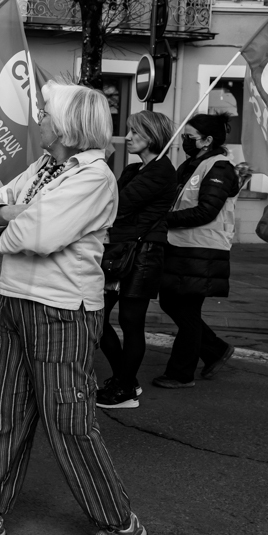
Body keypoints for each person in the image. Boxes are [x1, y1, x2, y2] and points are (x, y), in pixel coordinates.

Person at [0, 81, 145, 535]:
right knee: (3, 412)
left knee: (70, 423)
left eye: (47, 113)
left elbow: (38, 234)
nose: (39, 120)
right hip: (17, 301)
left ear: (69, 127)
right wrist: (11, 215)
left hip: (62, 310)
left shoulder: (93, 177)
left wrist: (9, 222)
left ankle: (120, 522)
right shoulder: (45, 167)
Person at [96, 111, 178, 409]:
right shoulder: (134, 170)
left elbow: (117, 207)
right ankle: (125, 380)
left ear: (154, 136)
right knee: (97, 320)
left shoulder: (162, 171)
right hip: (120, 252)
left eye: (136, 133)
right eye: (129, 131)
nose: (128, 137)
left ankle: (125, 386)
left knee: (131, 321)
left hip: (143, 255)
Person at [154, 114, 239, 388]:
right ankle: (215, 349)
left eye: (189, 137)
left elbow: (206, 211)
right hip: (182, 247)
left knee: (187, 310)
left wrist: (163, 219)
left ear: (207, 140)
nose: (184, 141)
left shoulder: (220, 167)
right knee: (170, 302)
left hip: (202, 250)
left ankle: (181, 374)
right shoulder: (192, 164)